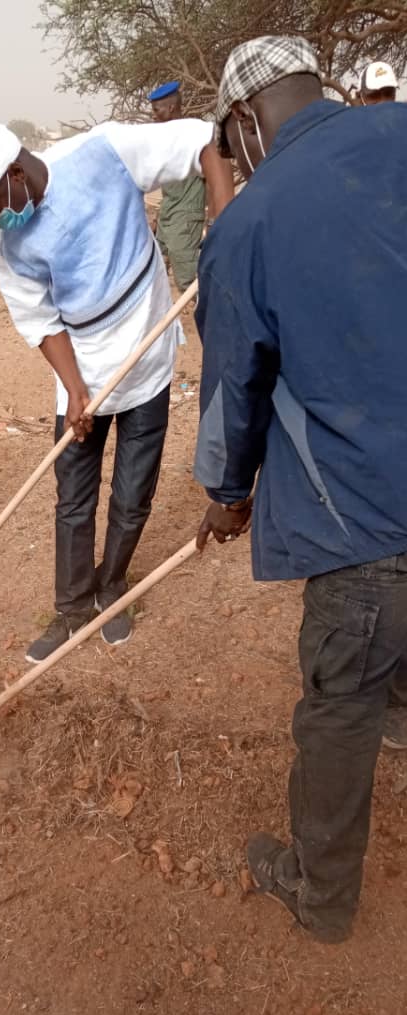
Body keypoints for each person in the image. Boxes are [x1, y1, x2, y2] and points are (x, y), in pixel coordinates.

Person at [193, 35, 407, 944]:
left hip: (366, 522)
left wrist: (226, 493)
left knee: (340, 705)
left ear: (242, 123)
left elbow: (234, 389)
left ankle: (319, 897)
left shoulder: (246, 225)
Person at [0, 120, 234, 663]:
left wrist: (226, 222)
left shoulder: (106, 151)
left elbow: (205, 140)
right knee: (74, 498)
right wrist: (75, 389)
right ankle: (73, 606)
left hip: (147, 359)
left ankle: (113, 589)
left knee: (132, 494)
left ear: (16, 171)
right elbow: (39, 319)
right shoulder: (6, 244)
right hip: (80, 371)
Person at [149, 81, 208, 293]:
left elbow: (211, 175)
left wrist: (212, 223)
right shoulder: (166, 137)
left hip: (184, 219)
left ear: (171, 108)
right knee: (156, 269)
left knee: (188, 282)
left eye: (157, 110)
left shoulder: (192, 135)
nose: (153, 115)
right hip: (168, 215)